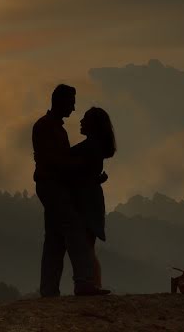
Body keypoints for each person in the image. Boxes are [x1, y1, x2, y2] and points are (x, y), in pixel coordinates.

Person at [32, 84, 110, 296]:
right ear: (60, 101)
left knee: (55, 238)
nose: (74, 108)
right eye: (72, 103)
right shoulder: (45, 127)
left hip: (55, 187)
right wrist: (80, 166)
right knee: (74, 228)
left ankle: (49, 289)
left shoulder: (56, 129)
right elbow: (54, 162)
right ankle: (84, 282)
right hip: (51, 186)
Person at [70, 107, 117, 289]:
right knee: (88, 244)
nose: (81, 121)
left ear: (93, 125)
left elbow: (67, 159)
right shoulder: (96, 147)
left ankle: (89, 284)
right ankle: (93, 283)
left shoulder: (89, 146)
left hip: (87, 200)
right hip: (93, 199)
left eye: (85, 119)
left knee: (85, 243)